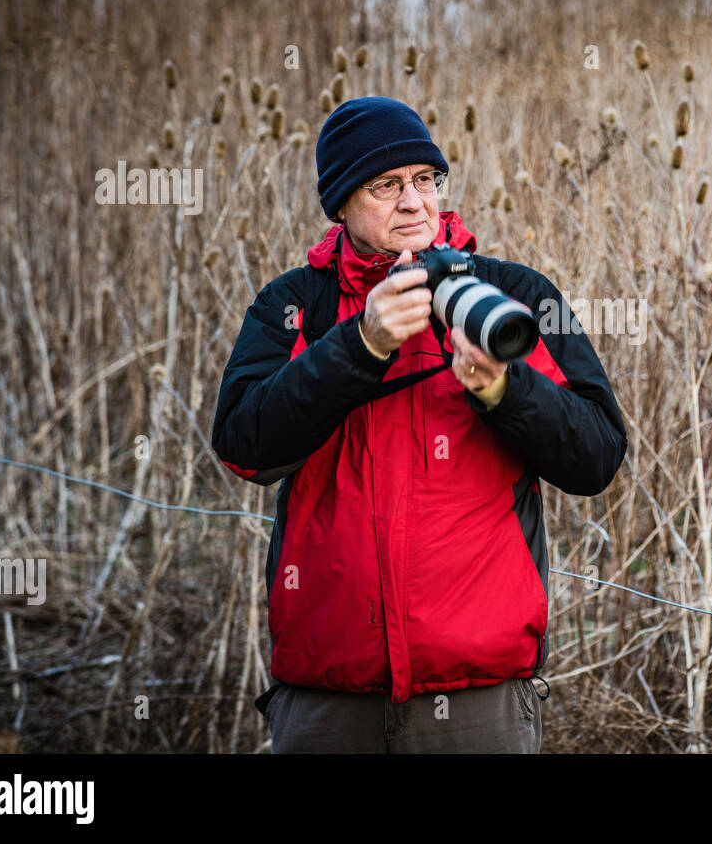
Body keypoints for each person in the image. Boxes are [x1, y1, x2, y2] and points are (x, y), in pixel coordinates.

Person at [210, 96, 627, 753]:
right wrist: (361, 344)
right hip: (328, 698)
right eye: (386, 185)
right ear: (342, 203)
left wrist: (502, 386)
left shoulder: (514, 295)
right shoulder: (297, 305)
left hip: (478, 699)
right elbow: (243, 449)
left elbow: (598, 453)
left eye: (425, 180)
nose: (414, 202)